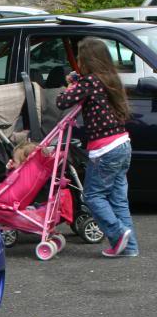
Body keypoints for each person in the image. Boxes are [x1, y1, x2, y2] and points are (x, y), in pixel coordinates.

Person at [57, 37, 138, 257]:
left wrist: (70, 85)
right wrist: (78, 80)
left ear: (87, 60)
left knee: (93, 196)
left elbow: (62, 101)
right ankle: (129, 247)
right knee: (118, 200)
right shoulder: (110, 79)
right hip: (123, 145)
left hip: (105, 149)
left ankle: (118, 233)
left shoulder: (90, 82)